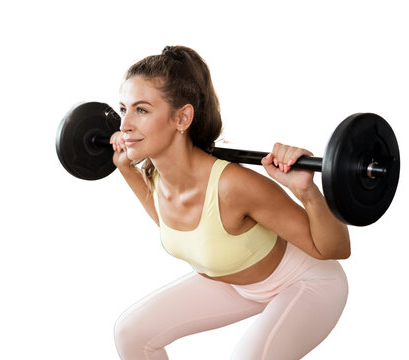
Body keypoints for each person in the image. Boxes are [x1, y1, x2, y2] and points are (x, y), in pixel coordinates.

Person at [109, 45, 350, 360]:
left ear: (182, 118)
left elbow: (335, 250)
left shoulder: (233, 186)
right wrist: (127, 168)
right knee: (131, 333)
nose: (124, 124)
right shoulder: (157, 175)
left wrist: (306, 190)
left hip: (306, 283)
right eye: (123, 108)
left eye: (141, 110)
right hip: (234, 284)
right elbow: (178, 227)